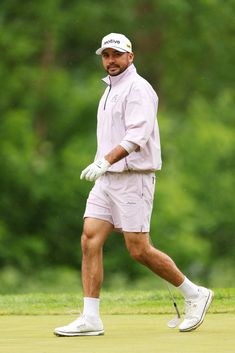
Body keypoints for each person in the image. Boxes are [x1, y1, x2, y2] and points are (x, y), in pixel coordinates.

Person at [54, 33, 213, 336]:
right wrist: (104, 166)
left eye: (116, 55)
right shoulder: (110, 90)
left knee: (138, 249)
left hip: (133, 178)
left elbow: (136, 137)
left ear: (130, 56)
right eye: (106, 55)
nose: (110, 61)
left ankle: (195, 294)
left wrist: (105, 160)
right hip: (108, 179)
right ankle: (91, 318)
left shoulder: (139, 89)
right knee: (89, 238)